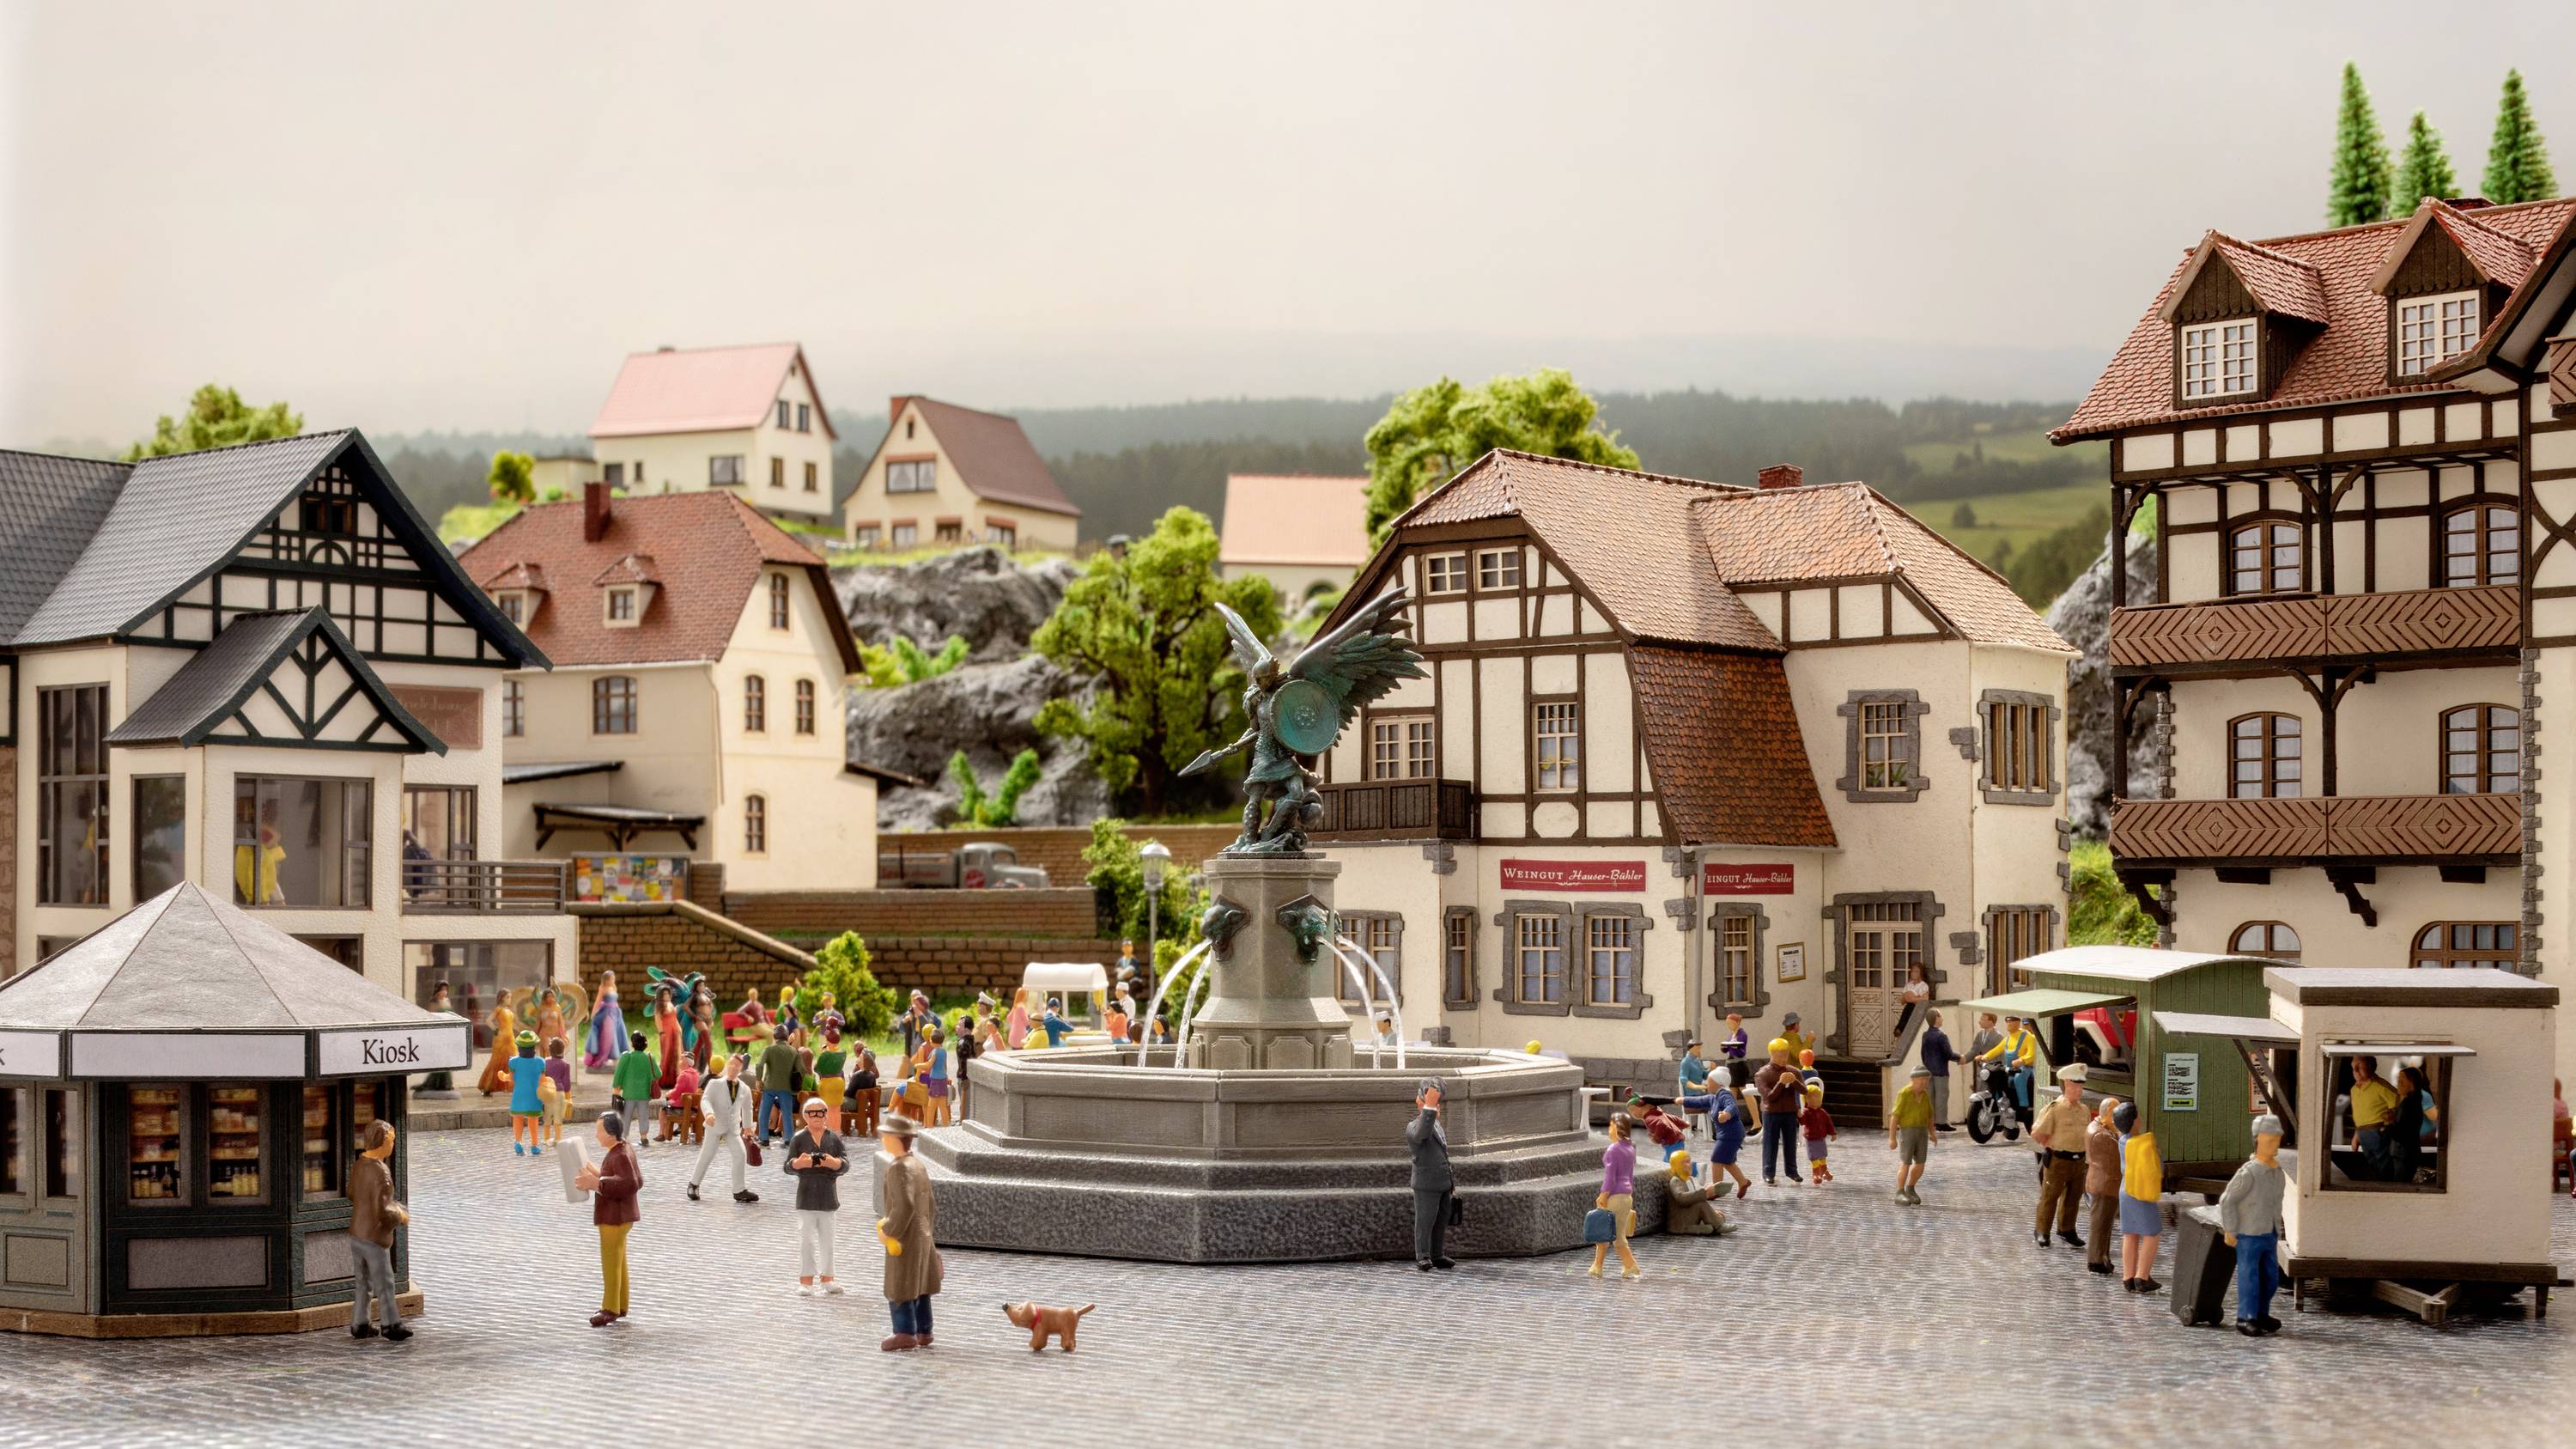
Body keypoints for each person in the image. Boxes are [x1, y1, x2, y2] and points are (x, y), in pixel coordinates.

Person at [878, 1114, 944, 1351]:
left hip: (905, 1236)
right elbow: (930, 1203)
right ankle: (924, 1330)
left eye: (886, 1136)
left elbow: (903, 1206)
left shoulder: (898, 1168)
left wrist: (888, 1230)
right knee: (921, 1283)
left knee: (901, 1284)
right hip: (923, 1233)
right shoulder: (918, 1164)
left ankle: (905, 1332)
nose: (883, 1139)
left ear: (896, 1139)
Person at [2219, 1114, 2289, 1337]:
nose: (2274, 1145)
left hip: (2269, 1233)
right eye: (2269, 1141)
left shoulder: (2278, 1172)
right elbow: (2227, 1199)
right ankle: (2245, 1317)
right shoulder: (2249, 1172)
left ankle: (2261, 1313)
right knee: (2250, 1277)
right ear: (2257, 1141)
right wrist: (2230, 1229)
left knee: (2271, 1278)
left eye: (2276, 1140)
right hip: (2248, 1235)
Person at [574, 1110, 641, 1328]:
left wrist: (595, 1184)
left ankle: (610, 1308)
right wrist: (590, 1168)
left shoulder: (619, 1155)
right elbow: (612, 1175)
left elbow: (631, 1183)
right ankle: (621, 1304)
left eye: (599, 1131)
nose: (596, 1136)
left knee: (611, 1263)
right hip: (620, 1216)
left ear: (611, 1134)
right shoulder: (621, 1150)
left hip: (615, 1217)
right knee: (619, 1261)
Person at [348, 1119, 410, 1342]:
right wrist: (401, 1215)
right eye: (391, 1140)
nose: (393, 1144)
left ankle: (360, 1324)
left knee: (363, 1281)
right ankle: (390, 1324)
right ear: (383, 1142)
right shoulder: (381, 1173)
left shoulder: (359, 1165)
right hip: (374, 1236)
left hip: (356, 1231)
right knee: (385, 1281)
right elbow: (383, 1210)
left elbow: (351, 1193)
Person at [786, 1097, 850, 1296]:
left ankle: (828, 1278)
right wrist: (798, 1164)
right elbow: (787, 1166)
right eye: (812, 1113)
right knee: (806, 1241)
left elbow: (845, 1163)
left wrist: (834, 1163)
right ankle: (805, 1280)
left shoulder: (834, 1138)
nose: (816, 1117)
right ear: (805, 1116)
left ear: (826, 1115)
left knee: (827, 1241)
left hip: (828, 1196)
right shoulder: (798, 1138)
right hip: (806, 1197)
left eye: (820, 1112)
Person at [2029, 1062, 2089, 1250]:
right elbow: (2038, 1132)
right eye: (2075, 1085)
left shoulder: (2084, 1110)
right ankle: (2042, 1231)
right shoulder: (2055, 1109)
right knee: (2050, 1197)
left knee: (2074, 1197)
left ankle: (2067, 1229)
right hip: (2058, 1160)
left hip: (2079, 1160)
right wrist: (2052, 1145)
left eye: (2081, 1085)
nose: (2079, 1090)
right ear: (2065, 1085)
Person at [690, 1054, 758, 1204]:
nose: (733, 1068)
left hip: (733, 1127)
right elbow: (705, 1099)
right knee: (707, 1155)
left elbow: (748, 1108)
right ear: (727, 1065)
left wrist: (747, 1127)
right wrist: (708, 1113)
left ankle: (739, 1190)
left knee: (740, 1154)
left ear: (741, 1068)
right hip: (715, 1125)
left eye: (737, 1066)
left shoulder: (745, 1088)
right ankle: (693, 1184)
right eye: (731, 1064)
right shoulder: (715, 1084)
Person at [1407, 1077, 1455, 1272]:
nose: (1437, 1109)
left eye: (1438, 1105)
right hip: (1426, 1184)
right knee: (1425, 1221)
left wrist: (1451, 1181)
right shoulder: (1414, 1128)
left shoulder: (1438, 1126)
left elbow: (1444, 1153)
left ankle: (1437, 1253)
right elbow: (1423, 1134)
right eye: (1433, 1105)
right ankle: (1423, 1256)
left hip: (1443, 1183)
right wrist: (1430, 1107)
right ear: (1420, 1104)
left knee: (1441, 1220)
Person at [2114, 1100, 2163, 1294]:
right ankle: (2142, 1276)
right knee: (2152, 1234)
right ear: (2134, 1121)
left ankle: (2128, 1277)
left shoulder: (2122, 1141)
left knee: (2130, 1234)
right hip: (2140, 1192)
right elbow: (2155, 1167)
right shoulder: (2144, 1143)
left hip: (2125, 1190)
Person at [1588, 1113, 1643, 1281]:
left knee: (1616, 1237)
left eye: (1611, 1125)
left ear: (1618, 1127)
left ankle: (1630, 1265)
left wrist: (1603, 1195)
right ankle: (1597, 1266)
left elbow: (1610, 1178)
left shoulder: (1613, 1149)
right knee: (1604, 1232)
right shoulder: (1629, 1148)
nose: (1609, 1129)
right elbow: (1630, 1174)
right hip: (1626, 1196)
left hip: (1614, 1196)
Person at [1680, 1079, 1752, 1199]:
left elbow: (1731, 1106)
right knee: (1727, 1161)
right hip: (1728, 1134)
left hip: (1731, 1134)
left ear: (1719, 1082)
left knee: (1717, 1159)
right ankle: (1743, 1182)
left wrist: (1726, 1114)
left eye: (1709, 1081)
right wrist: (1683, 1100)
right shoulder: (1713, 1097)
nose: (1707, 1084)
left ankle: (1716, 1189)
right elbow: (1700, 1101)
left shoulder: (1724, 1094)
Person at [1753, 1038, 1807, 1185]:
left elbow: (1804, 1090)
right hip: (1772, 1113)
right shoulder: (1762, 1074)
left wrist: (1794, 1081)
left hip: (1789, 1112)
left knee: (1791, 1143)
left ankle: (1792, 1171)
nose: (1784, 1057)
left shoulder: (1793, 1071)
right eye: (1780, 1054)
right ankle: (1768, 1173)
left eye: (1786, 1053)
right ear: (1772, 1054)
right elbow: (1769, 1097)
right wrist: (1781, 1083)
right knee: (1770, 1143)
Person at [2081, 1097, 2123, 1276]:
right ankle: (2096, 1260)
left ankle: (2103, 1257)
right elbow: (2117, 1158)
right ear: (2105, 1114)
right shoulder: (2102, 1135)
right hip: (2104, 1184)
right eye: (2114, 1114)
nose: (2116, 1118)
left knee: (2105, 1224)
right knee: (2100, 1224)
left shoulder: (2103, 1129)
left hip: (2106, 1184)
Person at [2347, 1055, 2399, 1182]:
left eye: (2360, 1066)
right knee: (2371, 1161)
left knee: (2384, 1162)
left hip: (2379, 1131)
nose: (2355, 1069)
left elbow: (2399, 1104)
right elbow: (2360, 1115)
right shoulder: (2354, 1089)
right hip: (2363, 1132)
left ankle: (2386, 1187)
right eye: (2353, 1067)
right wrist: (2357, 1135)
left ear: (2371, 1067)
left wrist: (2388, 1124)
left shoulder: (2380, 1086)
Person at [1886, 1064, 1934, 1205]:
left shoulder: (1925, 1096)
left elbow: (1930, 1115)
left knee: (1920, 1164)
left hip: (1922, 1132)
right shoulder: (1904, 1094)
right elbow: (1895, 1117)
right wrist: (1892, 1138)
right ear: (1913, 1080)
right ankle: (1900, 1191)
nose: (1925, 1083)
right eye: (1922, 1080)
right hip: (1908, 1131)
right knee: (1905, 1162)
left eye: (1927, 1080)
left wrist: (1932, 1132)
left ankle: (1911, 1188)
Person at [1663, 1150, 1736, 1236]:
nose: (1690, 1164)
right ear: (1677, 1166)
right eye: (1685, 1162)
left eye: (1689, 1161)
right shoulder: (1676, 1181)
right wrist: (1705, 1193)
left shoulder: (1688, 1179)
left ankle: (1712, 1222)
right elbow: (1681, 1198)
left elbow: (1692, 1198)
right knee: (1701, 1204)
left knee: (1714, 1216)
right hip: (1680, 1220)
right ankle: (1718, 1226)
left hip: (1688, 1214)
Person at [1982, 1014, 2039, 1116]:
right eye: (2007, 1022)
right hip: (2009, 1068)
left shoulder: (2028, 1037)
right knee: (1998, 1078)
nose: (2008, 1024)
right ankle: (2000, 1104)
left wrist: (2022, 1060)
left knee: (2018, 1078)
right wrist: (1985, 1057)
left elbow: (2031, 1054)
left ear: (2017, 1023)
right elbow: (1997, 1049)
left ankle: (2023, 1106)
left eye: (2011, 1022)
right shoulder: (2008, 1038)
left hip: (2025, 1068)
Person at [755, 1025, 799, 1147]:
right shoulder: (793, 1051)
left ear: (775, 1036)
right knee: (787, 1113)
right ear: (786, 1036)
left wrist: (759, 1079)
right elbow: (801, 1069)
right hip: (786, 1087)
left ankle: (764, 1138)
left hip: (769, 1085)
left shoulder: (769, 1049)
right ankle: (789, 1138)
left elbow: (759, 1065)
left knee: (764, 1112)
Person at [612, 1031, 657, 1149]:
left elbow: (619, 1073)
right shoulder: (649, 1057)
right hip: (644, 1093)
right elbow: (657, 1073)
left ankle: (624, 1137)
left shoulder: (627, 1056)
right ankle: (644, 1137)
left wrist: (617, 1086)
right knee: (643, 1115)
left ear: (632, 1043)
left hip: (629, 1093)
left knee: (626, 1115)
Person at [2388, 1063, 2430, 1184]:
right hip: (2408, 1152)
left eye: (2401, 1081)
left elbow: (2400, 1134)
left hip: (2403, 1154)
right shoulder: (2413, 1103)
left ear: (2411, 1084)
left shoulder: (2407, 1105)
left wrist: (2390, 1121)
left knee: (2401, 1185)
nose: (2398, 1084)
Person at [505, 1031, 544, 1156]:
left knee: (518, 1118)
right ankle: (534, 1145)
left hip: (519, 1095)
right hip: (534, 1095)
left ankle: (518, 1142)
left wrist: (503, 1077)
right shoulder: (541, 1062)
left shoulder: (513, 1062)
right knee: (533, 1120)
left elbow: (511, 1078)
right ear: (534, 1047)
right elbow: (542, 1080)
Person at [1918, 1009, 1959, 1131]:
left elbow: (1923, 1053)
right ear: (1936, 1018)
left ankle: (1930, 1120)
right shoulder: (1941, 1036)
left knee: (1930, 1097)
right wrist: (1959, 1057)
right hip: (1941, 1070)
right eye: (1940, 1016)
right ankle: (1941, 1122)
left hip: (1928, 1069)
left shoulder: (1925, 1035)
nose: (1942, 1019)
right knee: (1941, 1096)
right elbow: (1948, 1053)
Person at [419, 982, 458, 1097]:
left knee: (447, 1058)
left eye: (446, 990)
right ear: (437, 991)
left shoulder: (447, 1001)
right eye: (442, 990)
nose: (444, 992)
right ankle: (436, 1083)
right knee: (440, 1058)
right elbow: (431, 1016)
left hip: (448, 1032)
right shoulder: (434, 1003)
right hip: (439, 1033)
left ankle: (446, 1083)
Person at [812, 1016, 849, 1134]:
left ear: (828, 1040)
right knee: (836, 1109)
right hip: (839, 1082)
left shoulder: (825, 1054)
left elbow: (817, 1068)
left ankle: (828, 1131)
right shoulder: (843, 1052)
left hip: (828, 1083)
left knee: (827, 1108)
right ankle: (837, 1131)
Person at [477, 995, 519, 1098]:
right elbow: (488, 1020)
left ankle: (512, 1086)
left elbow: (512, 1024)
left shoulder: (509, 1010)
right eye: (508, 997)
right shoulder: (498, 1009)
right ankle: (488, 1087)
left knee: (513, 1060)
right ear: (502, 998)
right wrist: (495, 1030)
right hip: (500, 1038)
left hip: (510, 1038)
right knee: (497, 1061)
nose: (510, 999)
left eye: (510, 997)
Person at [1626, 1095, 1689, 1161]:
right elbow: (1673, 1118)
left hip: (1672, 1142)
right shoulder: (1659, 1114)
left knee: (1674, 1162)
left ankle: (1695, 1168)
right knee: (1667, 1160)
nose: (1632, 1114)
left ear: (1644, 1107)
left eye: (1633, 1111)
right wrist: (1684, 1124)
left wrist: (1656, 1138)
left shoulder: (1650, 1118)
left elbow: (1662, 1125)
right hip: (1677, 1139)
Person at [584, 971, 623, 1072]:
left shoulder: (614, 987)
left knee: (617, 1035)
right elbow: (597, 1001)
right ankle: (601, 1059)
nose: (613, 980)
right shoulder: (603, 989)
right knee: (608, 1036)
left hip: (615, 1013)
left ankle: (615, 1060)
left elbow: (615, 1002)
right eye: (611, 978)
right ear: (606, 980)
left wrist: (618, 1012)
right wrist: (593, 1014)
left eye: (614, 978)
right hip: (606, 1014)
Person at [538, 1037, 573, 1148]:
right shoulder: (565, 1064)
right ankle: (558, 1139)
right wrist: (569, 1097)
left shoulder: (545, 1062)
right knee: (558, 1117)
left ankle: (546, 1138)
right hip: (560, 1092)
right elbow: (567, 1083)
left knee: (547, 1115)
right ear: (562, 1050)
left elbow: (542, 1077)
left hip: (548, 1092)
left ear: (550, 1049)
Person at [1799, 1083, 1837, 1184]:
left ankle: (1824, 1171)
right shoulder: (1806, 1112)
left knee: (1823, 1155)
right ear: (1806, 1100)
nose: (1814, 1099)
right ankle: (1816, 1174)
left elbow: (1829, 1123)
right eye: (1811, 1097)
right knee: (1814, 1156)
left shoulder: (1823, 1112)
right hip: (1811, 1139)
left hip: (1821, 1138)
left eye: (1817, 1096)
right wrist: (1799, 1116)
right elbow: (1803, 1122)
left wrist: (1833, 1133)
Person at [919, 1025, 953, 1128]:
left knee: (931, 1106)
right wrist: (946, 1076)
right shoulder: (943, 1051)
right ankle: (945, 1125)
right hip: (942, 1079)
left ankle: (929, 1126)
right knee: (943, 1105)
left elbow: (929, 1064)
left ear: (932, 1041)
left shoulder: (934, 1053)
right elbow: (945, 1066)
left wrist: (919, 1065)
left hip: (935, 1081)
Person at [1676, 1038, 1712, 1132]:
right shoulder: (1686, 1062)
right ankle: (1714, 1133)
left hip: (1699, 1094)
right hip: (1691, 1095)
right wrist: (1696, 1086)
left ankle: (1713, 1132)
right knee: (1713, 1101)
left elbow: (1704, 1075)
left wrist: (1711, 1069)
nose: (1699, 1050)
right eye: (1698, 1048)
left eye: (1700, 1048)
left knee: (1715, 1099)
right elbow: (1683, 1079)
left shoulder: (1697, 1060)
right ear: (1691, 1049)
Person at [653, 984, 683, 1095]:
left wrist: (679, 1029)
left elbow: (675, 1018)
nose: (667, 996)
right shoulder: (659, 1007)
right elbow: (658, 1020)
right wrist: (661, 1032)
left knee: (676, 1054)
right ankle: (664, 1079)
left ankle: (674, 1078)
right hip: (666, 1032)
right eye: (664, 994)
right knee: (667, 1054)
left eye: (668, 993)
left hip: (674, 1031)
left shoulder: (671, 1004)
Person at [848, 1044, 882, 1138]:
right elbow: (874, 1085)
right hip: (865, 1102)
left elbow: (849, 1092)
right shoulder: (872, 1075)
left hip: (856, 1101)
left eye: (859, 1057)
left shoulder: (857, 1075)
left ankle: (845, 1127)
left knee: (840, 1101)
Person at [898, 991, 934, 1058]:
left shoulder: (929, 1015)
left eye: (917, 1004)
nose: (914, 1006)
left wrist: (919, 1014)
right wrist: (908, 1019)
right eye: (913, 1002)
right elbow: (903, 1027)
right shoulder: (912, 1012)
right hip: (914, 1038)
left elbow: (928, 1025)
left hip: (923, 1039)